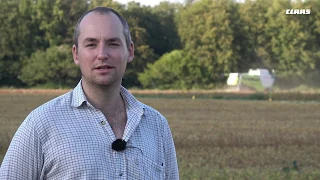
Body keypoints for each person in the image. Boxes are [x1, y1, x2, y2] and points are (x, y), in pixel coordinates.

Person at [0, 7, 179, 180]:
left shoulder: (156, 126)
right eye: (91, 44)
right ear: (76, 54)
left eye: (113, 43)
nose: (102, 54)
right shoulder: (41, 124)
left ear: (130, 51)